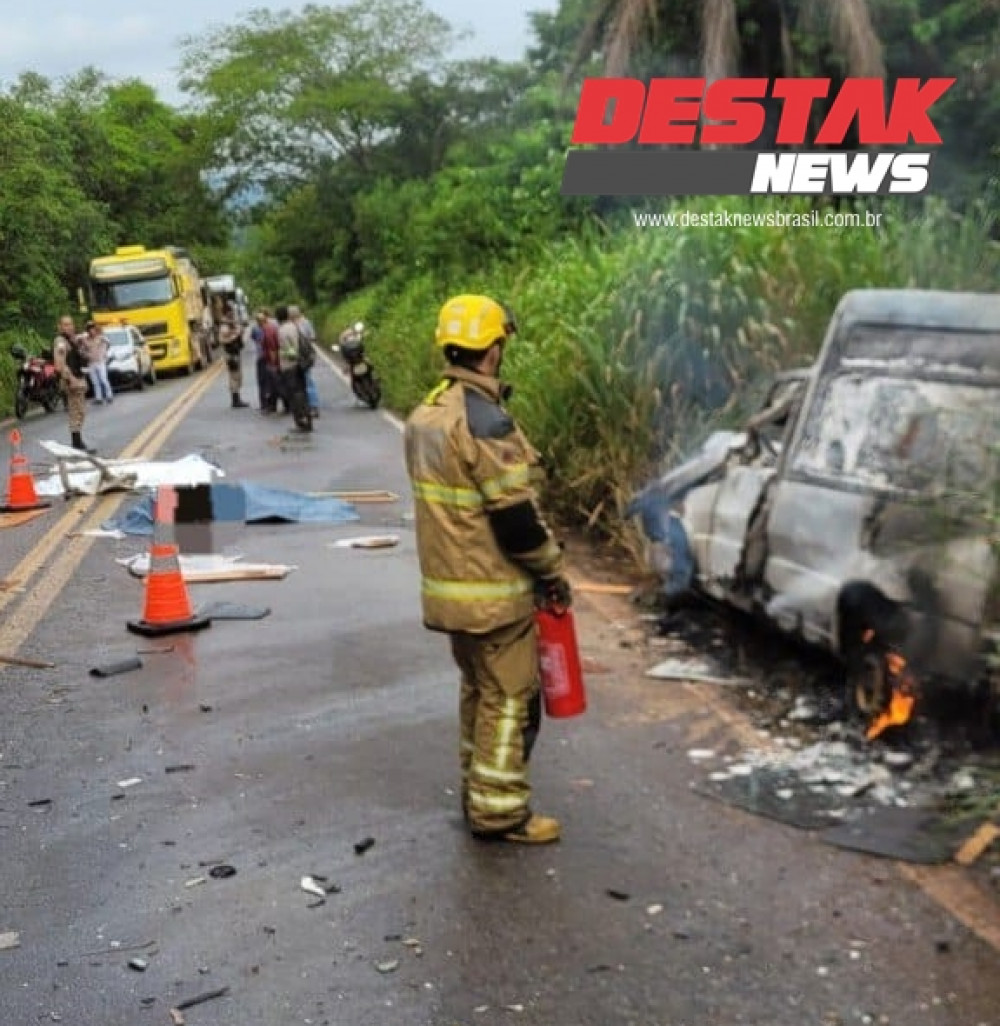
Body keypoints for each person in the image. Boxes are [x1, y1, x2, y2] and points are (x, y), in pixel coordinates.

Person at [404, 294, 571, 845]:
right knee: (509, 700)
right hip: (494, 596)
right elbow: (516, 521)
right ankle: (500, 813)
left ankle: (476, 791)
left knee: (478, 692)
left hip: (449, 594)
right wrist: (551, 570)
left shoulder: (427, 415)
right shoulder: (485, 422)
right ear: (493, 350)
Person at [53, 315, 94, 452]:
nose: (69, 327)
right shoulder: (61, 342)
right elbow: (59, 364)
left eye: (70, 324)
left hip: (78, 377)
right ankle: (77, 443)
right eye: (65, 325)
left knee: (80, 411)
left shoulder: (72, 340)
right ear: (59, 327)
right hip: (72, 380)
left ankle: (78, 441)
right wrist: (70, 379)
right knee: (76, 411)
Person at [289, 304, 320, 417]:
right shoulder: (306, 322)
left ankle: (312, 405)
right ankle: (310, 405)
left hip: (302, 356)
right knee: (306, 380)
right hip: (306, 355)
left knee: (306, 381)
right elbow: (313, 337)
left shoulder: (295, 325)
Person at [219, 318, 249, 408]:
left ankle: (237, 399)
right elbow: (224, 339)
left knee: (238, 377)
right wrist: (235, 334)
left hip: (235, 354)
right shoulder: (224, 331)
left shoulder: (234, 329)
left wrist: (238, 331)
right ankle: (235, 400)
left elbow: (241, 336)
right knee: (234, 377)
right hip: (231, 355)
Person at [84, 321, 113, 405]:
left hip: (100, 362)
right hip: (91, 363)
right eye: (89, 329)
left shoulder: (101, 338)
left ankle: (109, 395)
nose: (91, 331)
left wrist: (104, 353)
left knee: (103, 379)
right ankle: (98, 398)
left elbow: (108, 344)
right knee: (95, 382)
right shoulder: (85, 339)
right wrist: (86, 355)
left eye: (92, 328)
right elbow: (82, 349)